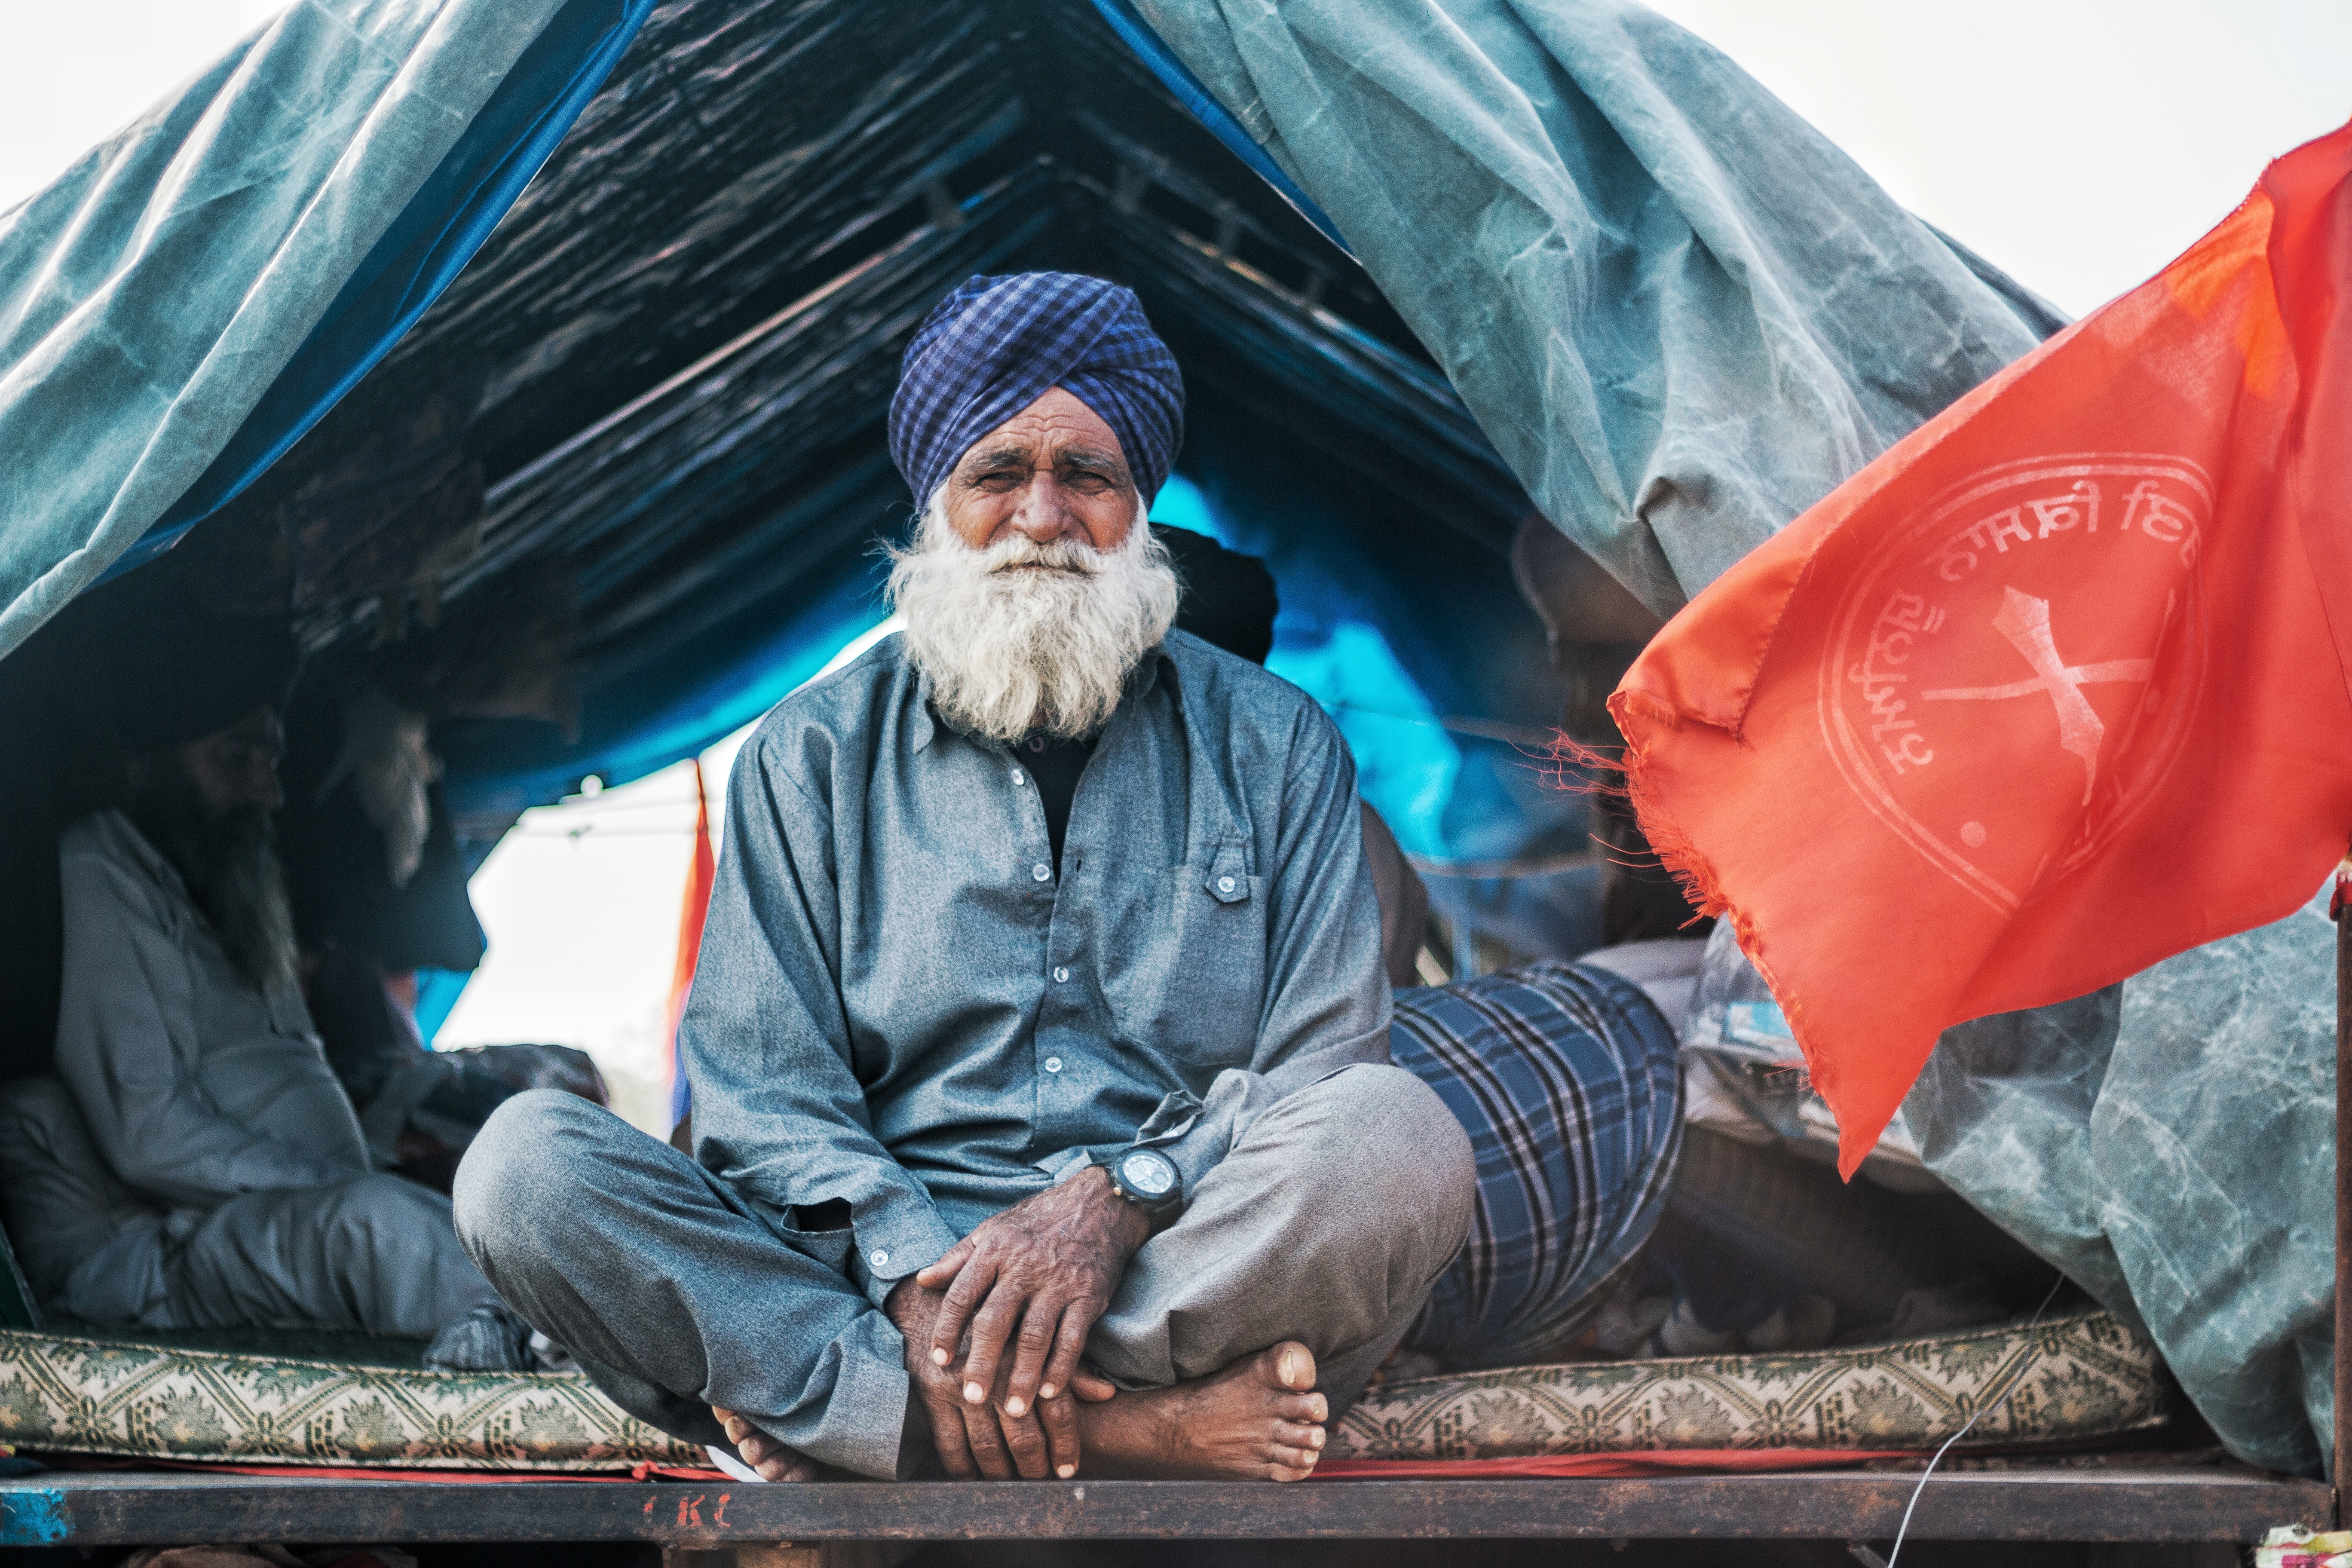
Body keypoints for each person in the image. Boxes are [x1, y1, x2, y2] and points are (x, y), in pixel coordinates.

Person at [453, 271, 1476, 1483]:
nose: (1043, 516)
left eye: (1087, 476)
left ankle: (882, 1427)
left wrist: (1116, 1201)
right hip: (889, 1279)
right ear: (940, 502)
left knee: (1397, 1139)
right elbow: (764, 1099)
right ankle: (1125, 1434)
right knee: (522, 1171)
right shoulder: (812, 753)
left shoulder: (1279, 743)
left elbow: (1323, 1066)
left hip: (1171, 1248)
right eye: (999, 473)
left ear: (1138, 506)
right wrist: (910, 1281)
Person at [0, 596, 533, 1369]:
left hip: (268, 1210)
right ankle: (564, 1362)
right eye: (235, 759)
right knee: (374, 1224)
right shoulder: (99, 869)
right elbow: (148, 1135)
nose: (268, 792)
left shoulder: (225, 891)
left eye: (270, 762)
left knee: (482, 1205)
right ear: (145, 767)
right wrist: (338, 1182)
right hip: (147, 1255)